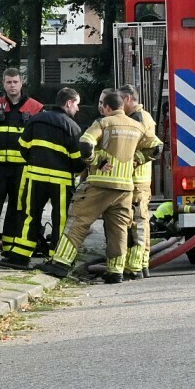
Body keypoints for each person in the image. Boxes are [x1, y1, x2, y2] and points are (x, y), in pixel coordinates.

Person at [43, 88, 160, 284]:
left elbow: (85, 143)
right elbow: (157, 147)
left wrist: (96, 161)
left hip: (101, 185)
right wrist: (137, 159)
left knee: (78, 219)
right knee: (119, 230)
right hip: (125, 189)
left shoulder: (103, 123)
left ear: (107, 107)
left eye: (102, 106)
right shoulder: (136, 126)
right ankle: (116, 272)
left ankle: (60, 263)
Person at [0, 87, 85, 268]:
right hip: (61, 182)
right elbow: (78, 161)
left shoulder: (36, 119)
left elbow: (23, 147)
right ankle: (57, 259)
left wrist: (35, 162)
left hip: (34, 177)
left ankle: (20, 256)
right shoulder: (73, 127)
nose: (77, 109)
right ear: (69, 103)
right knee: (60, 219)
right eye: (76, 104)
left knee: (29, 215)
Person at [0, 69, 43, 260]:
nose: (12, 85)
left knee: (17, 208)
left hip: (22, 169)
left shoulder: (35, 108)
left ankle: (10, 249)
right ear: (3, 84)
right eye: (9, 82)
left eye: (15, 82)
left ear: (21, 82)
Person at [121, 85, 159, 279]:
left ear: (128, 99)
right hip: (136, 180)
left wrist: (134, 160)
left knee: (137, 223)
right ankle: (140, 264)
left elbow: (154, 147)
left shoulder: (138, 118)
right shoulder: (139, 117)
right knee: (138, 222)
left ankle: (136, 265)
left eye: (120, 101)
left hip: (136, 180)